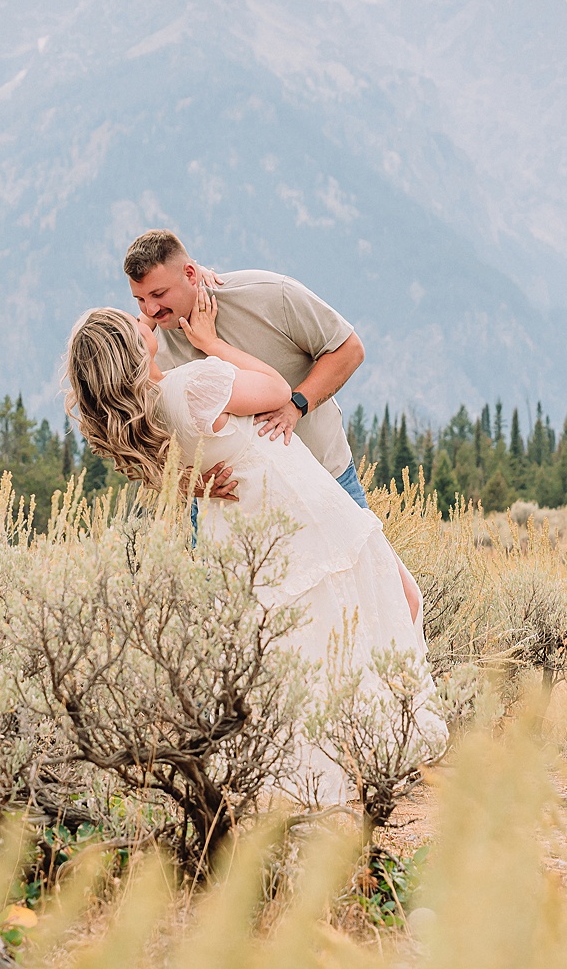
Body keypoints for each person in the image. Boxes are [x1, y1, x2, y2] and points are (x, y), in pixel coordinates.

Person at [64, 292, 440, 804]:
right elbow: (275, 389)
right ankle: (388, 743)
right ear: (131, 347)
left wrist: (192, 484)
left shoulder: (145, 417)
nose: (142, 316)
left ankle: (336, 762)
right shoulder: (192, 383)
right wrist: (212, 343)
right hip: (295, 508)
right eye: (132, 318)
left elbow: (172, 470)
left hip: (241, 535)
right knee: (387, 603)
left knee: (305, 643)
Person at [123, 230, 371, 511]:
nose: (152, 308)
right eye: (140, 299)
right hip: (228, 511)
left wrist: (295, 405)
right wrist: (187, 484)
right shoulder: (148, 349)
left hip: (325, 478)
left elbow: (349, 349)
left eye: (159, 293)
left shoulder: (269, 295)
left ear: (191, 274)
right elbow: (137, 437)